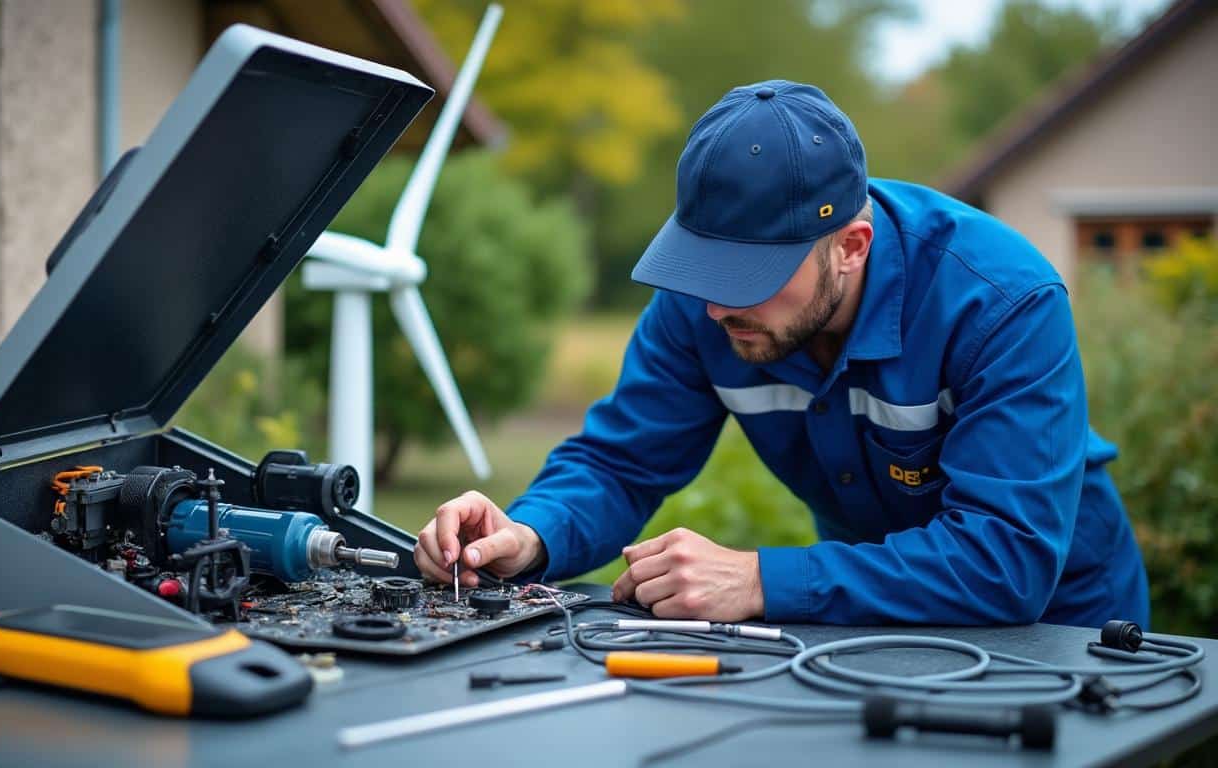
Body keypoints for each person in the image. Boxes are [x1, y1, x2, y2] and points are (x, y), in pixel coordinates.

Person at [411, 80, 1149, 628]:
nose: (716, 307)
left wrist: (763, 581)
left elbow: (1004, 560)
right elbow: (619, 462)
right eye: (703, 267)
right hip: (877, 620)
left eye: (748, 276)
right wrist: (528, 534)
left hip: (1067, 629)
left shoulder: (1002, 302)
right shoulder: (702, 305)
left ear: (850, 249)